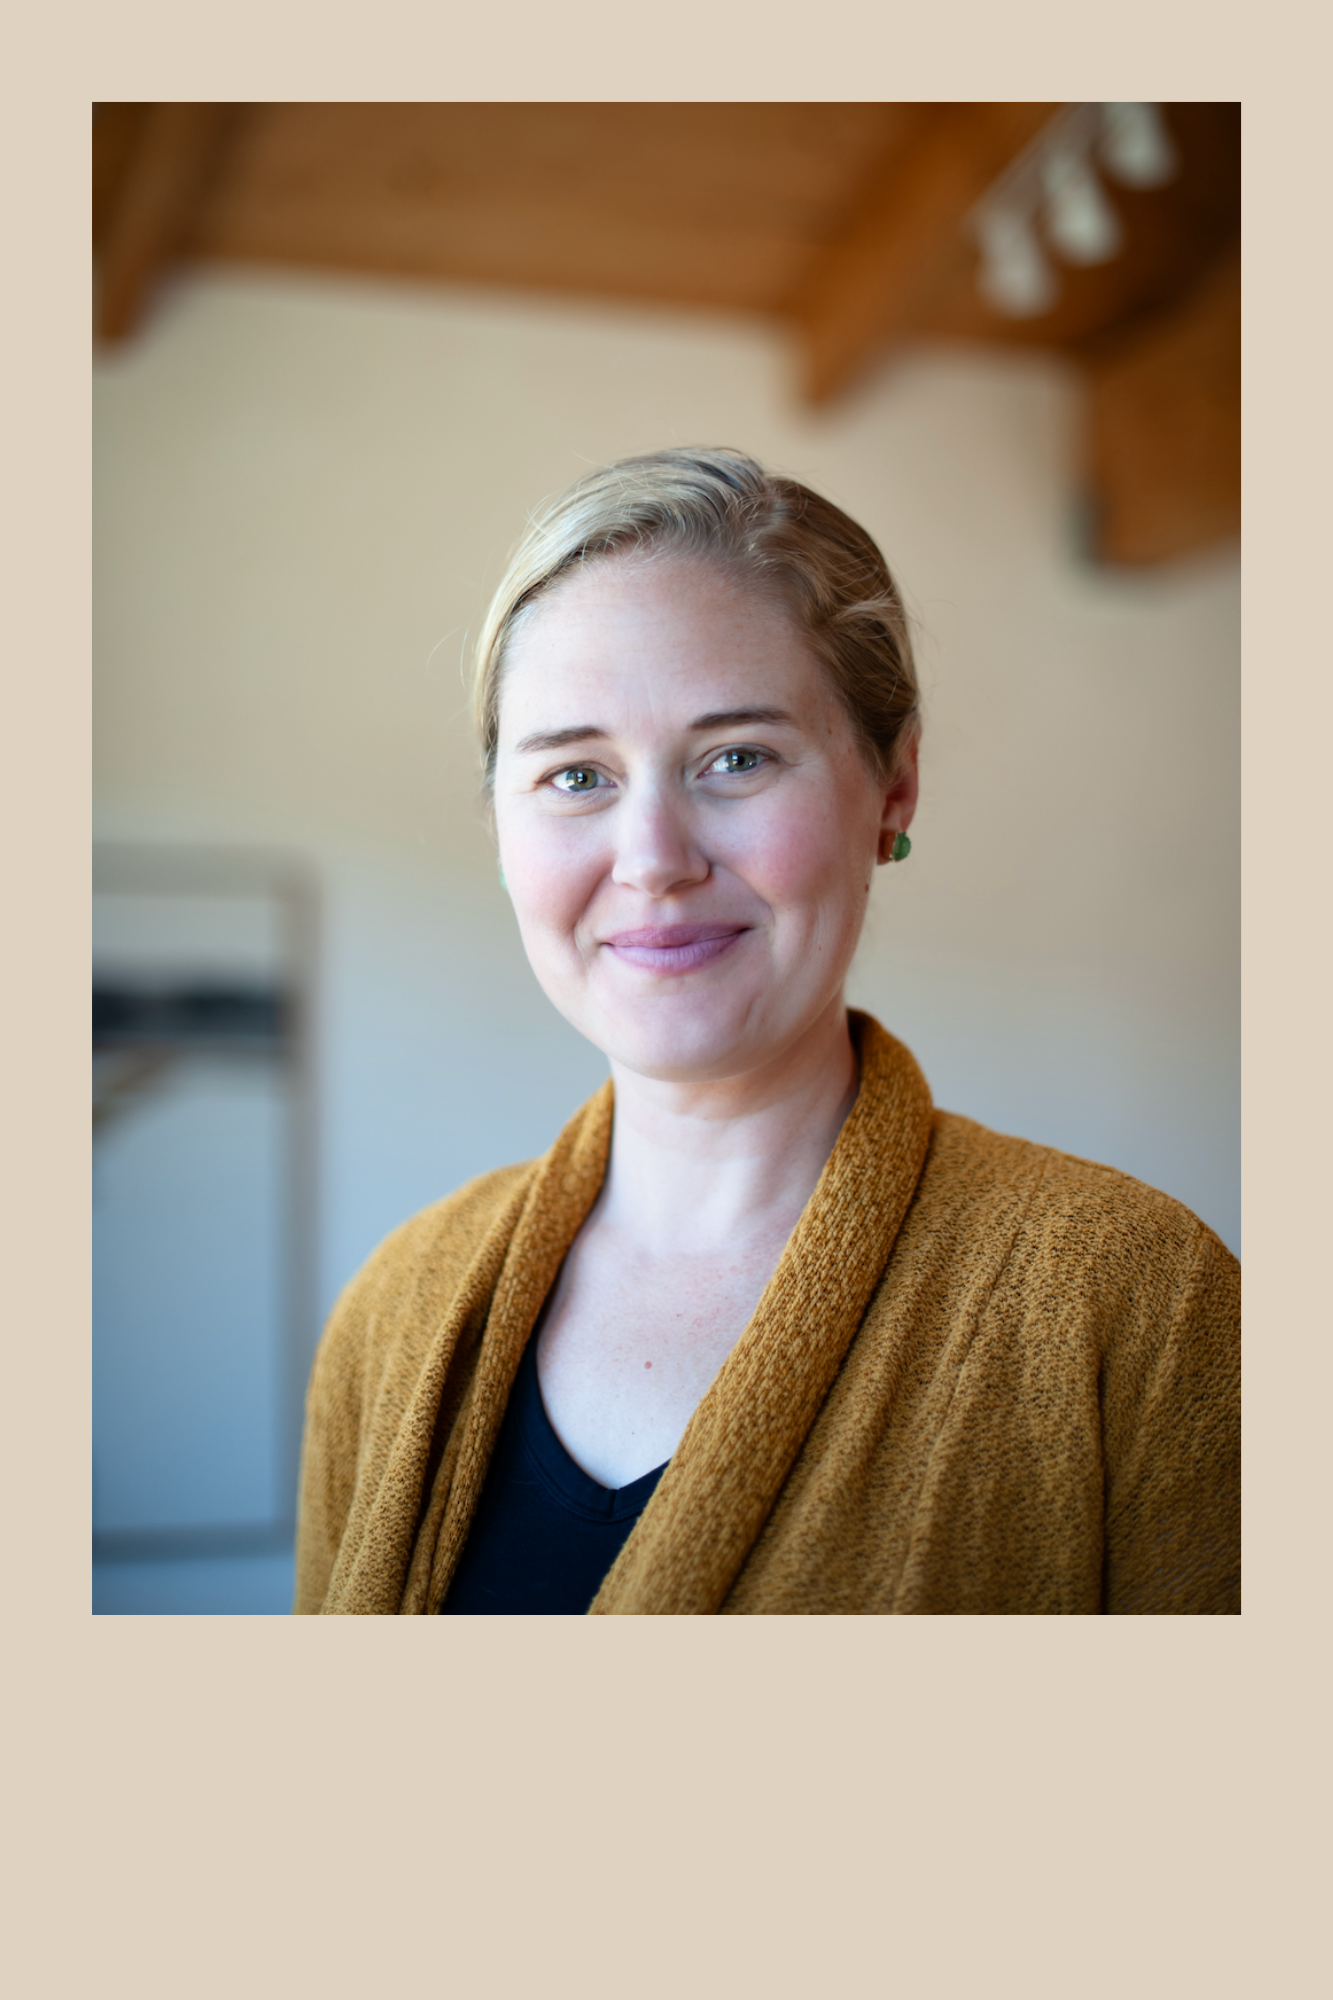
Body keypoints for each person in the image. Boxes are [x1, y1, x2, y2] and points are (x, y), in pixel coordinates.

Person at [294, 447, 1239, 1616]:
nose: (652, 859)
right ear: (501, 827)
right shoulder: (395, 1307)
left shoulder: (1136, 1302)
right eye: (575, 775)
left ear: (891, 786)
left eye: (735, 758)